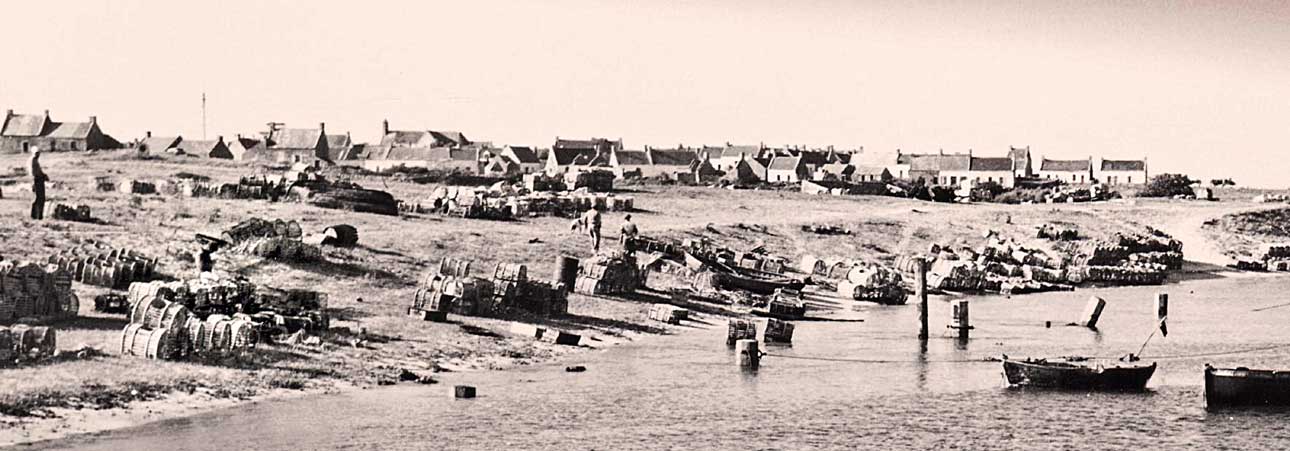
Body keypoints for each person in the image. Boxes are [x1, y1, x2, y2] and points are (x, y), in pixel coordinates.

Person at [29, 147, 47, 220]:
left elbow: (39, 171)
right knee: (38, 198)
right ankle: (36, 215)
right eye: (36, 153)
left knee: (40, 198)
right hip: (36, 180)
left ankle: (38, 215)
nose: (38, 155)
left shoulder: (35, 160)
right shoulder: (32, 160)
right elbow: (33, 172)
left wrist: (44, 175)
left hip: (39, 179)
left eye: (38, 153)